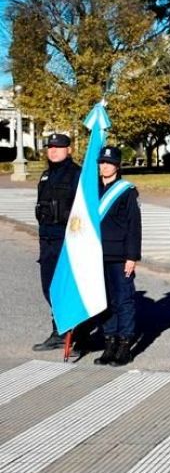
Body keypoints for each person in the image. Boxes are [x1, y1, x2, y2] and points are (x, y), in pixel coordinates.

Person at [92, 146, 142, 366]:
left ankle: (124, 345)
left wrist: (132, 257)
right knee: (105, 302)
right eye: (102, 162)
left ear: (117, 165)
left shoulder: (126, 191)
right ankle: (109, 342)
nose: (105, 166)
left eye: (109, 163)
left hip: (120, 255)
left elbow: (134, 226)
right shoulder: (91, 189)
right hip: (95, 254)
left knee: (124, 300)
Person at [32, 133, 82, 351]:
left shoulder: (77, 174)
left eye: (58, 147)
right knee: (50, 288)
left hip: (67, 240)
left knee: (68, 287)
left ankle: (77, 332)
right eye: (50, 147)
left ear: (68, 150)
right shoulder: (45, 176)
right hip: (47, 238)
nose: (53, 151)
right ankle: (60, 329)